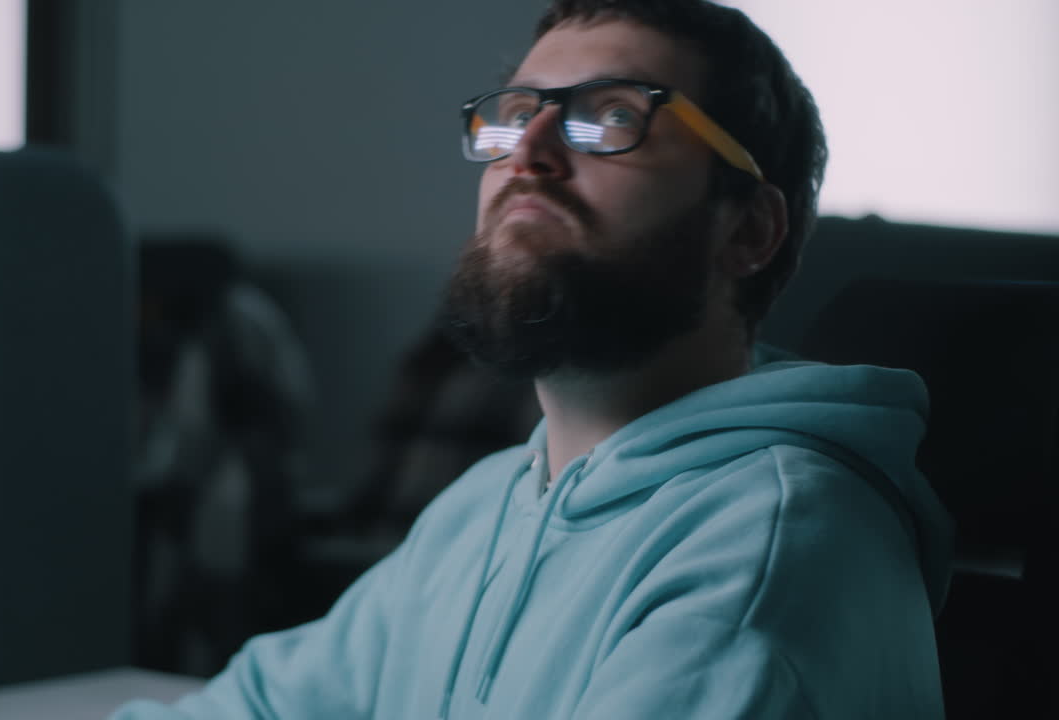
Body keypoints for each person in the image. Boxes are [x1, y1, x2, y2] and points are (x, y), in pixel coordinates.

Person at [111, 0, 953, 717]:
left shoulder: (765, 553)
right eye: (515, 115)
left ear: (749, 230)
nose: (529, 151)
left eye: (613, 115)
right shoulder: (490, 505)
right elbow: (259, 705)